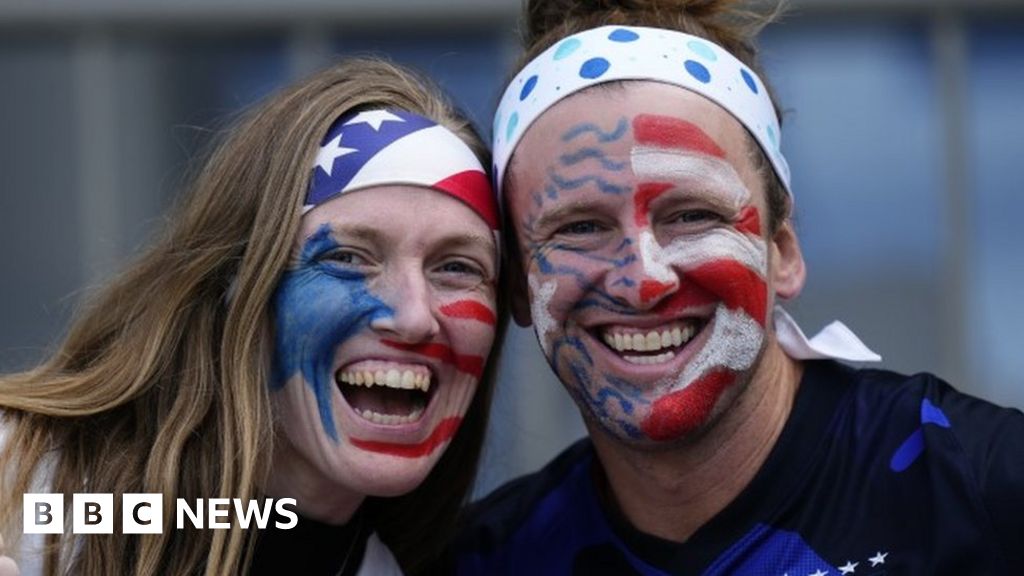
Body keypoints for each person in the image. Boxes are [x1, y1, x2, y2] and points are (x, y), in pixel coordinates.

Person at [442, 1, 1024, 574]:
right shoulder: (485, 560)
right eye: (581, 227)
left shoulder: (981, 488)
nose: (643, 279)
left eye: (692, 215)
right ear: (520, 285)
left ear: (784, 253)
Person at [0, 57, 505, 575]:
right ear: (238, 286)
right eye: (346, 258)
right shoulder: (28, 490)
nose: (414, 316)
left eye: (456, 267)